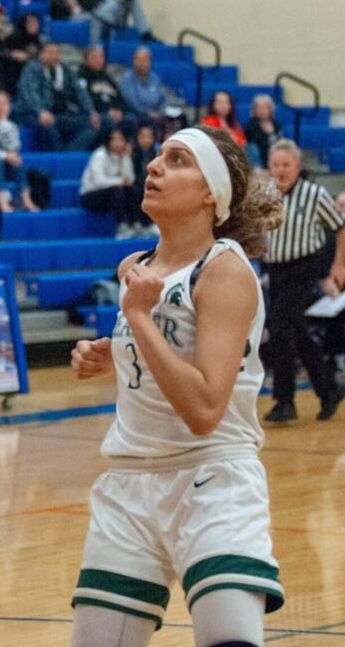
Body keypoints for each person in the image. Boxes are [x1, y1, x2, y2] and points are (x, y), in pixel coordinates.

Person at [69, 126, 285, 644]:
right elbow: (160, 353)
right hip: (129, 483)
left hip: (211, 479)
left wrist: (139, 321)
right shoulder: (136, 268)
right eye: (158, 156)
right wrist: (113, 356)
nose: (154, 166)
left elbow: (205, 408)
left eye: (178, 159)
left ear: (212, 192)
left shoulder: (224, 271)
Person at [261, 139, 345, 422]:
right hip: (275, 269)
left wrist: (338, 264)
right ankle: (329, 389)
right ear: (269, 167)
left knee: (280, 327)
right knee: (295, 331)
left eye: (286, 165)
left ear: (297, 166)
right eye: (276, 165)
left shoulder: (314, 194)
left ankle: (285, 401)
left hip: (302, 268)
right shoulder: (266, 194)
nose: (281, 170)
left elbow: (339, 226)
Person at [15, 41, 98, 152]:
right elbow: (29, 93)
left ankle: (68, 154)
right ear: (41, 54)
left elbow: (79, 91)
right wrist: (41, 111)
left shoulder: (65, 70)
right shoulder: (32, 68)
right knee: (48, 126)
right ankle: (58, 158)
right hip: (31, 113)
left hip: (59, 114)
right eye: (50, 52)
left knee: (92, 125)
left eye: (56, 52)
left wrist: (91, 111)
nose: (54, 56)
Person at [79, 127, 144, 238]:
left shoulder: (123, 155)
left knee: (133, 189)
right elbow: (99, 182)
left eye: (121, 140)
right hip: (91, 195)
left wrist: (125, 157)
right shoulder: (99, 155)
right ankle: (122, 227)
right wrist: (120, 181)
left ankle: (137, 224)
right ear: (108, 141)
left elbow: (130, 179)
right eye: (115, 140)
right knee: (118, 190)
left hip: (114, 194)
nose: (118, 143)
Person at [78, 44, 135, 140]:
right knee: (108, 120)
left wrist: (119, 110)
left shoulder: (108, 77)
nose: (98, 60)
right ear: (86, 59)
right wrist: (107, 111)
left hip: (113, 112)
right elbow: (85, 100)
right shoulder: (81, 77)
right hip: (97, 114)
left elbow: (119, 97)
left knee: (131, 119)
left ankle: (130, 149)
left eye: (100, 57)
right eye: (94, 57)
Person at [118, 47, 167, 127]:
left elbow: (163, 99)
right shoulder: (127, 78)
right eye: (138, 59)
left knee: (177, 119)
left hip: (156, 114)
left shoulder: (155, 78)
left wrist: (161, 113)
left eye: (144, 60)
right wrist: (148, 112)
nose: (141, 63)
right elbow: (133, 102)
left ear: (150, 62)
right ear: (133, 61)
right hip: (136, 114)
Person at [244, 93, 283, 168]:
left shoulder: (276, 124)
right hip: (259, 158)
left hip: (276, 155)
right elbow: (257, 144)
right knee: (252, 147)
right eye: (259, 107)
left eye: (266, 107)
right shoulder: (251, 124)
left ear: (271, 109)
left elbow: (281, 141)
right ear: (254, 110)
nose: (262, 110)